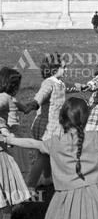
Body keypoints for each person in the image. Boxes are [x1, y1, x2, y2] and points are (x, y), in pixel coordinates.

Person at [27, 54, 68, 189]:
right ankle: (30, 187)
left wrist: (83, 87)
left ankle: (47, 179)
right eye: (64, 67)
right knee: (43, 156)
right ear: (53, 69)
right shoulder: (49, 83)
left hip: (53, 125)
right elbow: (42, 94)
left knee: (45, 154)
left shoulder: (59, 82)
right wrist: (35, 103)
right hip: (47, 126)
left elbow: (69, 87)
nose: (66, 69)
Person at [0, 69, 31, 219]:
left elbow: (24, 108)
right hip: (9, 142)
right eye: (16, 84)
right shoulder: (4, 98)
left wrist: (33, 105)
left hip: (13, 141)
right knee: (9, 179)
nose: (18, 87)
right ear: (10, 84)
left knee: (10, 179)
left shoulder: (10, 98)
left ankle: (6, 216)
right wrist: (4, 129)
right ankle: (6, 215)